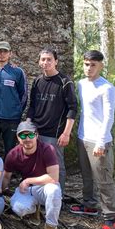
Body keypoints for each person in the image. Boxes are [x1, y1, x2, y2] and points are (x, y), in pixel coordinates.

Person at [70, 50, 115, 229]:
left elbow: (108, 117)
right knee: (86, 175)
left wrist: (101, 142)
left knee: (104, 179)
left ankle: (111, 216)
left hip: (100, 140)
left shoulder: (107, 87)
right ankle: (89, 205)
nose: (89, 68)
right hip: (83, 137)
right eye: (86, 64)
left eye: (93, 64)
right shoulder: (81, 84)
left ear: (101, 65)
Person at [2, 121, 62, 229]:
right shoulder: (13, 154)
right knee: (18, 209)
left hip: (45, 187)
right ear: (18, 138)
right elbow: (6, 176)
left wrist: (28, 180)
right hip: (28, 189)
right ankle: (35, 210)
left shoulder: (47, 149)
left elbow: (53, 177)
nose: (27, 139)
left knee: (54, 190)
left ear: (37, 135)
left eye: (30, 135)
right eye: (22, 136)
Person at [26, 47, 77, 193]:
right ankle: (39, 194)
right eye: (43, 59)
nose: (46, 62)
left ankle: (57, 196)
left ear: (56, 62)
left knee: (56, 165)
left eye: (49, 59)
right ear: (39, 62)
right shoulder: (37, 81)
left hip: (54, 133)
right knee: (37, 163)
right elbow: (32, 106)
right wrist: (28, 126)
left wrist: (66, 133)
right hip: (36, 131)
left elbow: (73, 108)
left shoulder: (65, 82)